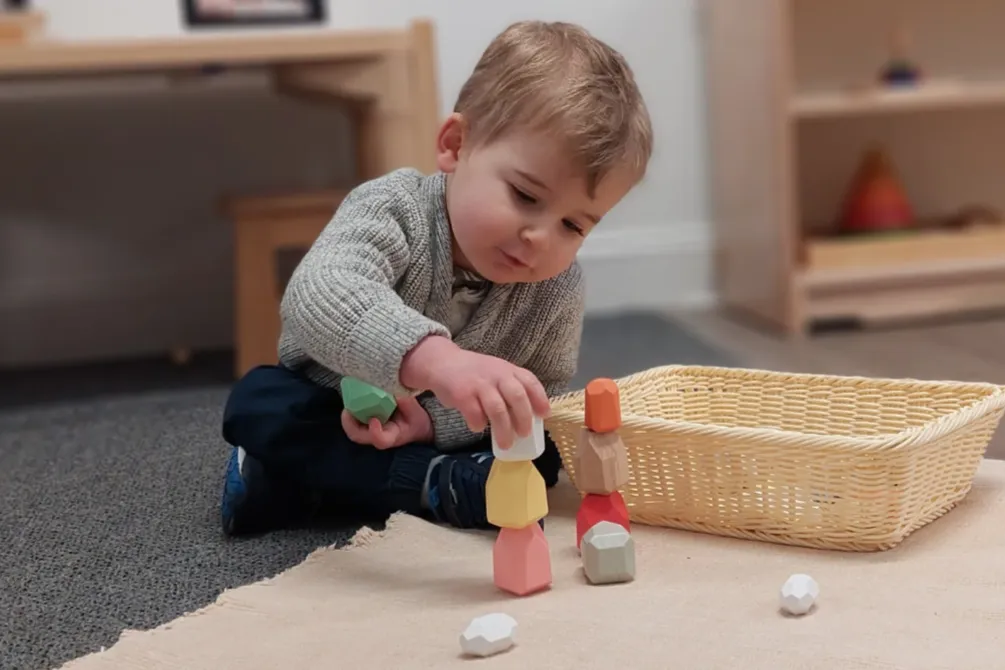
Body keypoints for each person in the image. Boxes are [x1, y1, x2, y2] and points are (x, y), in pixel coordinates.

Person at [219, 19, 653, 536]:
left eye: (573, 224)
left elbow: (543, 390)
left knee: (543, 451)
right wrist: (435, 361)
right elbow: (320, 291)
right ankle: (410, 485)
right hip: (332, 402)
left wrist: (432, 423)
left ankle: (366, 484)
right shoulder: (394, 207)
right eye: (526, 196)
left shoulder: (557, 287)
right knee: (262, 403)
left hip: (439, 436)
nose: (541, 236)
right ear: (455, 145)